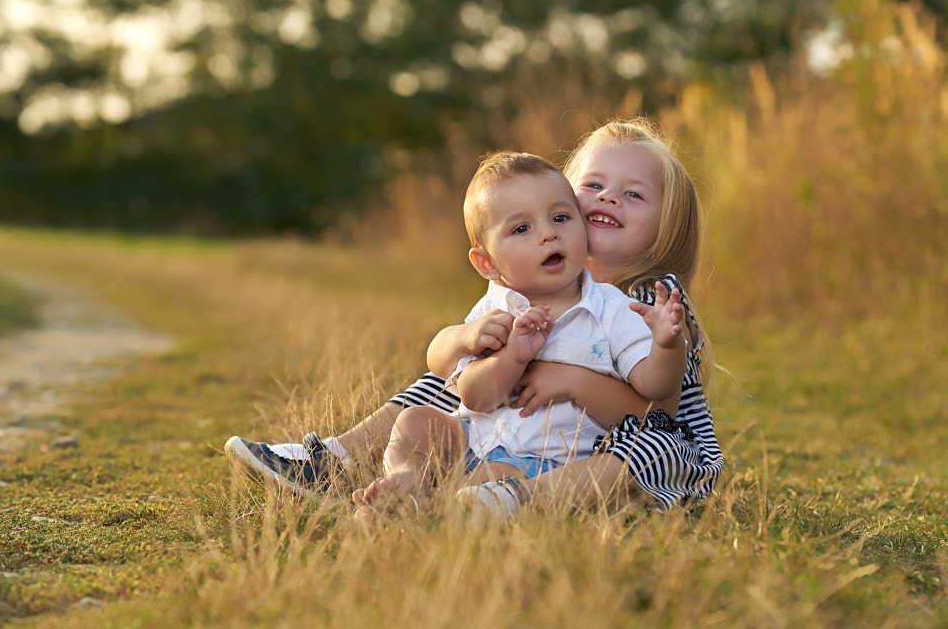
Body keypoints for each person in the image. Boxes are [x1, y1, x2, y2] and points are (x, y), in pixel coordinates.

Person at [225, 118, 723, 517]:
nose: (609, 198)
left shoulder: (653, 298)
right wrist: (468, 339)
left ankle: (513, 500)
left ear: (667, 225)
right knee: (449, 379)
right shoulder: (530, 286)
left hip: (646, 440)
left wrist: (571, 379)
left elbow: (657, 410)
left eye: (633, 194)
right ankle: (338, 460)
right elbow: (444, 365)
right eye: (593, 185)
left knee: (649, 451)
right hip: (516, 435)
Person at [348, 150, 686, 514]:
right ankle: (406, 479)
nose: (548, 234)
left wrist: (667, 345)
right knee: (415, 420)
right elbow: (474, 398)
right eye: (522, 229)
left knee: (494, 476)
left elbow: (655, 392)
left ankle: (435, 512)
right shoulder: (492, 311)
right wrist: (511, 358)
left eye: (560, 218)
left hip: (541, 462)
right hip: (470, 442)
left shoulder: (612, 308)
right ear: (488, 264)